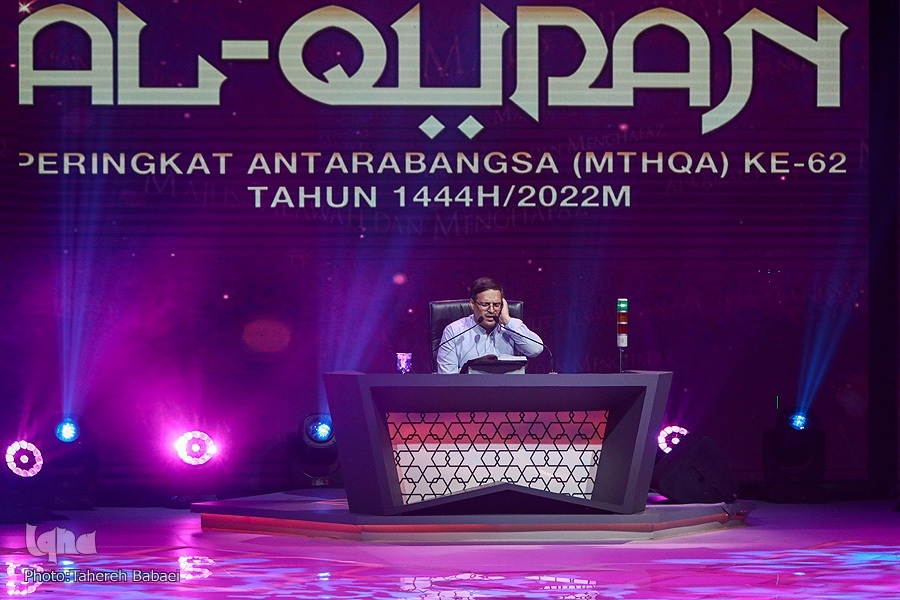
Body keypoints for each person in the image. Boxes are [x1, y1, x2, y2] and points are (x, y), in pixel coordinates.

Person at [437, 277, 544, 374]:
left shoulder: (510, 328)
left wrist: (507, 321)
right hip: (469, 389)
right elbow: (447, 378)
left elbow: (536, 349)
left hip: (507, 388)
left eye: (496, 305)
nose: (492, 310)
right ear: (472, 304)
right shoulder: (454, 331)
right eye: (485, 304)